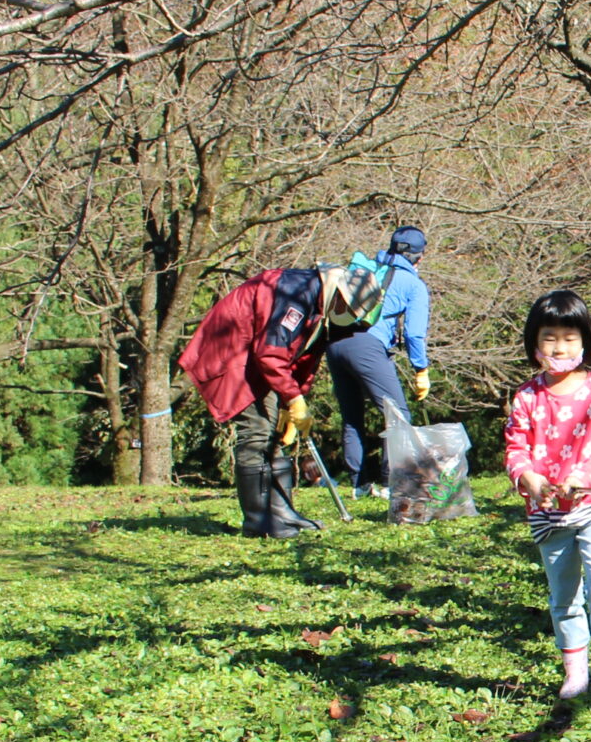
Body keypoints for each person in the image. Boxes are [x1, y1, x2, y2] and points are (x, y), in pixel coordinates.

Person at [179, 258, 389, 537]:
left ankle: (280, 511)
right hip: (232, 351)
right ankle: (258, 521)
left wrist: (293, 402)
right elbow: (271, 353)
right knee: (256, 432)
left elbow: (304, 361)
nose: (350, 316)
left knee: (273, 433)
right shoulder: (296, 294)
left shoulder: (320, 308)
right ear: (338, 296)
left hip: (256, 358)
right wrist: (292, 399)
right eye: (349, 309)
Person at [504, 290, 591, 702]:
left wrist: (581, 475)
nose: (560, 347)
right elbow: (515, 448)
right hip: (548, 511)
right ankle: (575, 672)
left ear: (585, 342)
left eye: (570, 337)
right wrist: (528, 477)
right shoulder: (526, 397)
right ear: (534, 344)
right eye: (550, 338)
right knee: (564, 593)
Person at [324, 226, 432, 498]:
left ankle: (359, 486)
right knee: (398, 415)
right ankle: (389, 483)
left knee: (351, 416)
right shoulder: (413, 284)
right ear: (419, 257)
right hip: (368, 346)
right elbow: (414, 333)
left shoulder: (368, 269)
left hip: (335, 343)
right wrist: (421, 369)